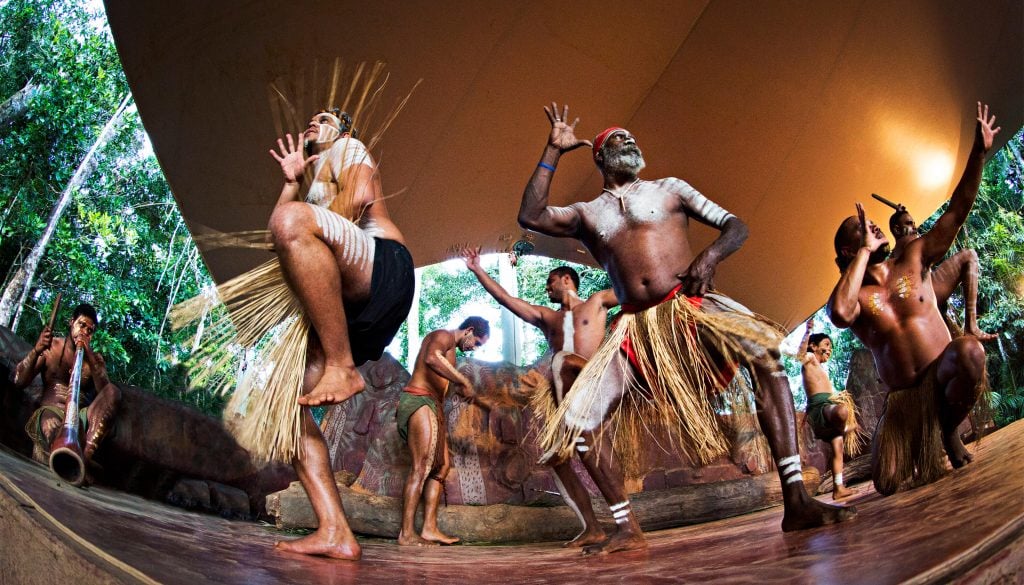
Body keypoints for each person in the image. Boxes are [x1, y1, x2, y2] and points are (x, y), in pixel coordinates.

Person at [517, 103, 853, 554]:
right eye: (619, 138)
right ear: (599, 156)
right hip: (636, 327)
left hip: (691, 306)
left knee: (765, 352)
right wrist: (552, 151)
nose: (631, 143)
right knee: (578, 418)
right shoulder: (587, 213)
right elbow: (531, 215)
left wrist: (710, 257)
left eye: (633, 138)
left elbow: (736, 225)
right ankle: (625, 526)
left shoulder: (670, 189)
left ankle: (796, 499)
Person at [828, 103, 999, 496]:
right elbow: (839, 313)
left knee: (970, 353)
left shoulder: (913, 257)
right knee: (886, 482)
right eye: (861, 227)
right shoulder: (854, 296)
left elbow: (956, 213)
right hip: (905, 400)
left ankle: (946, 431)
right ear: (845, 252)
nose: (871, 225)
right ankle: (915, 432)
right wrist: (862, 256)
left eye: (871, 222)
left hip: (941, 374)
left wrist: (978, 154)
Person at [268, 110, 415, 559]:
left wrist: (302, 213)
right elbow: (278, 233)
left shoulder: (347, 148)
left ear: (343, 129)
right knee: (287, 409)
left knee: (292, 222)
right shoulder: (310, 185)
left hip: (381, 269)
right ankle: (335, 531)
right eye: (310, 119)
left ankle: (341, 366)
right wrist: (292, 181)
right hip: (349, 312)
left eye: (325, 118)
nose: (314, 122)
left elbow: (359, 196)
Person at [463, 247, 616, 547]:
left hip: (593, 387)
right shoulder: (548, 318)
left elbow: (636, 291)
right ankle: (592, 527)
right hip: (564, 398)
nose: (546, 287)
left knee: (595, 453)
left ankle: (626, 524)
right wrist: (478, 270)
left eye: (550, 281)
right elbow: (507, 300)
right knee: (558, 459)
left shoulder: (598, 302)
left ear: (566, 280)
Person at [397, 317, 490, 546]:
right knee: (422, 466)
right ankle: (406, 533)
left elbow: (447, 381)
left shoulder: (453, 354)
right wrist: (461, 380)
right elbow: (431, 358)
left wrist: (479, 400)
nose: (474, 348)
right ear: (468, 330)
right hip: (419, 400)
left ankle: (429, 528)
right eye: (476, 343)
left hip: (432, 406)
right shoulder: (443, 336)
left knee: (442, 465)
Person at [13, 303, 121, 472]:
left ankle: (83, 458)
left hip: (81, 417)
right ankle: (68, 457)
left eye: (90, 331)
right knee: (53, 427)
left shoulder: (95, 360)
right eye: (81, 325)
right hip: (52, 411)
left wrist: (91, 360)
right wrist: (36, 350)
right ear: (72, 322)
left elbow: (107, 395)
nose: (84, 332)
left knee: (114, 391)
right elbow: (19, 381)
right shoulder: (52, 347)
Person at [884, 203, 995, 341]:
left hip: (930, 292)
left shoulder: (915, 245)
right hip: (914, 298)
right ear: (897, 230)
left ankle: (971, 327)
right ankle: (970, 328)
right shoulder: (897, 254)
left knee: (969, 256)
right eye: (909, 224)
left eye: (914, 223)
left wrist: (901, 216)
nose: (914, 227)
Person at [797, 322, 861, 500]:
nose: (829, 349)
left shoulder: (822, 368)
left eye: (831, 347)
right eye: (826, 344)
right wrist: (808, 332)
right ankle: (845, 428)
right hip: (820, 408)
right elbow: (799, 354)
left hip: (827, 406)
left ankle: (838, 488)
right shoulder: (810, 359)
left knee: (838, 450)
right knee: (842, 411)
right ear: (813, 346)